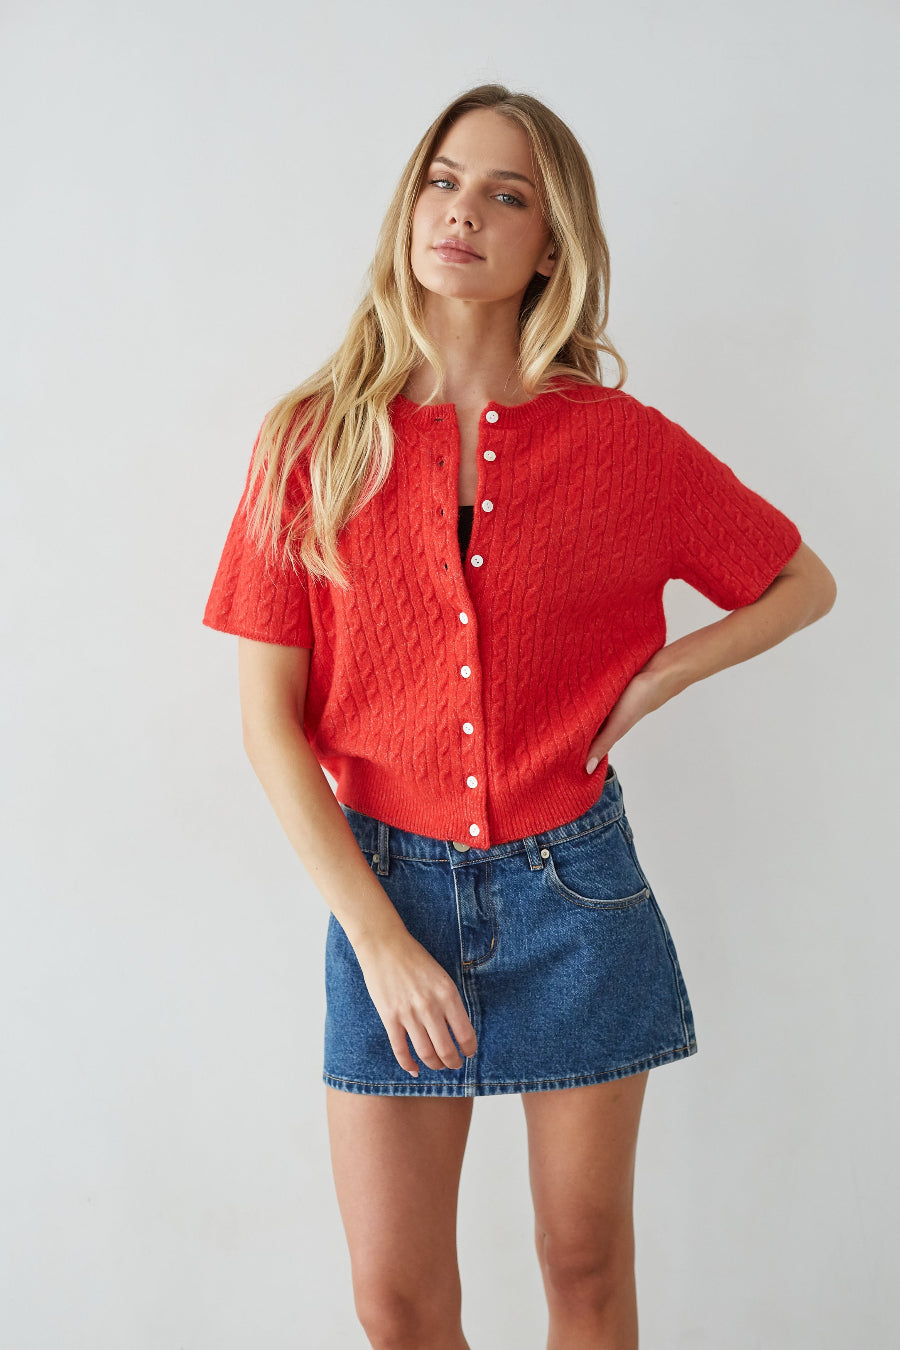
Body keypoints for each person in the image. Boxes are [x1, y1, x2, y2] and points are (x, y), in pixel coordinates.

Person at [202, 84, 836, 1350]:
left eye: (507, 194)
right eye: (443, 179)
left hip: (576, 891)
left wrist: (663, 675)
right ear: (408, 208)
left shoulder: (620, 444)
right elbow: (268, 723)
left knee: (584, 1262)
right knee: (395, 1303)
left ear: (553, 243)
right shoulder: (313, 442)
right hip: (384, 887)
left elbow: (799, 582)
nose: (464, 211)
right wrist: (378, 939)